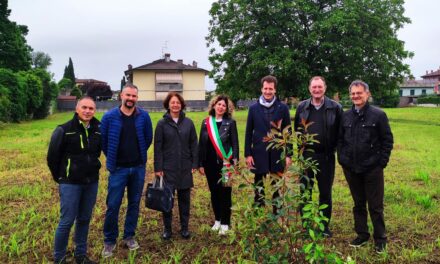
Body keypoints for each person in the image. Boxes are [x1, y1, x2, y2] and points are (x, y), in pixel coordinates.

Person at [337, 80, 393, 253]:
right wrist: (343, 159)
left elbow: (387, 141)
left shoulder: (378, 115)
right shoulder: (345, 116)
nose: (356, 96)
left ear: (367, 94)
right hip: (351, 169)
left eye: (359, 93)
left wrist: (381, 163)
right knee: (358, 204)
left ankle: (380, 238)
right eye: (353, 93)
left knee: (375, 206)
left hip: (372, 169)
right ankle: (362, 234)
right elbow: (340, 140)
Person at [101, 84, 153, 257]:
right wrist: (114, 159)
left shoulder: (144, 117)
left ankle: (129, 236)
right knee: (113, 205)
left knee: (134, 203)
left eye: (134, 96)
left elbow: (147, 139)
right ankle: (109, 240)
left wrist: (137, 157)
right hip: (118, 169)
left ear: (137, 98)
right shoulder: (109, 117)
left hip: (138, 168)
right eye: (128, 95)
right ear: (121, 95)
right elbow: (104, 142)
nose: (130, 98)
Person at [47, 96, 101, 264]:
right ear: (77, 109)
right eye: (84, 107)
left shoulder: (98, 129)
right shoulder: (63, 129)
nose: (87, 111)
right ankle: (59, 258)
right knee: (67, 221)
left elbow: (98, 153)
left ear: (94, 111)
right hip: (70, 183)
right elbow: (52, 157)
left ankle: (80, 255)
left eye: (91, 108)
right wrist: (61, 178)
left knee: (84, 219)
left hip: (91, 182)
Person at [294, 76, 342, 237]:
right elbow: (297, 131)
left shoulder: (335, 107)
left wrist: (335, 151)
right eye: (314, 87)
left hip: (326, 157)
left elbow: (340, 133)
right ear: (309, 89)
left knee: (325, 192)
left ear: (325, 88)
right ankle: (306, 225)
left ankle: (323, 226)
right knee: (305, 191)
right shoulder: (302, 107)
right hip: (306, 156)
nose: (317, 90)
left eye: (320, 87)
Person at [154, 92, 198, 240]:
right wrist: (158, 168)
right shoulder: (162, 124)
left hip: (185, 167)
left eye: (178, 102)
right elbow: (158, 147)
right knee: (167, 200)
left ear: (181, 105)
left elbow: (194, 144)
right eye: (172, 102)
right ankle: (167, 229)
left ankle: (184, 228)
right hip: (167, 169)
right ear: (168, 104)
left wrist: (194, 163)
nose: (175, 105)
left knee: (185, 200)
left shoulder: (189, 123)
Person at [244, 75, 292, 212]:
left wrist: (289, 154)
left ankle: (277, 211)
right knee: (258, 183)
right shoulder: (253, 109)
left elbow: (287, 132)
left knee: (276, 184)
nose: (268, 91)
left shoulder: (283, 108)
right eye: (265, 88)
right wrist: (248, 154)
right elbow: (248, 132)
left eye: (270, 89)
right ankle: (259, 210)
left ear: (275, 90)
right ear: (261, 89)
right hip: (259, 152)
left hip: (277, 152)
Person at [198, 95, 239, 235]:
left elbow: (235, 143)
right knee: (214, 192)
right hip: (209, 165)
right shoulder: (205, 123)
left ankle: (226, 223)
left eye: (224, 105)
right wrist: (200, 164)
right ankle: (217, 220)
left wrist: (235, 160)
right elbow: (201, 145)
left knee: (225, 193)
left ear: (227, 108)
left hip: (225, 164)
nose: (221, 107)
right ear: (214, 105)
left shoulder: (230, 123)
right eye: (219, 104)